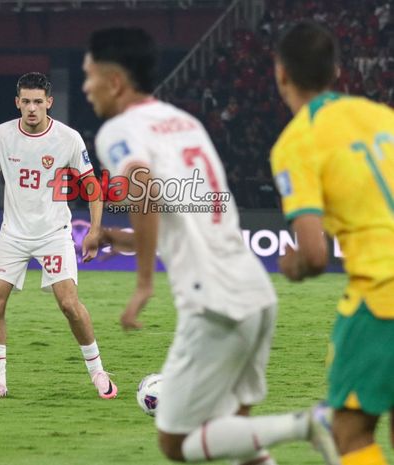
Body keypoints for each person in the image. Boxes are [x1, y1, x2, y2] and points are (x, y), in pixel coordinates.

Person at [83, 27, 339, 464]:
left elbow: (141, 186)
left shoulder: (119, 131)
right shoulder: (187, 125)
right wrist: (116, 238)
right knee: (236, 437)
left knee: (176, 443)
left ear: (115, 81)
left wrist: (143, 282)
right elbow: (185, 220)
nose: (85, 87)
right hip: (255, 293)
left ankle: (308, 424)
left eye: (88, 75)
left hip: (214, 303)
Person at [271, 21, 394, 465]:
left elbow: (316, 254)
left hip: (383, 293)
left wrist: (294, 264)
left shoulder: (296, 142)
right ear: (337, 71)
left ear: (281, 73)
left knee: (350, 430)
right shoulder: (382, 116)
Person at [0, 72, 117, 400]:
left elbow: (92, 186)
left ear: (49, 102)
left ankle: (98, 371)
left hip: (54, 233)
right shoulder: (1, 135)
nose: (32, 108)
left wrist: (95, 229)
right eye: (26, 101)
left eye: (38, 101)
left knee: (68, 304)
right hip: (12, 234)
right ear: (17, 103)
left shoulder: (68, 138)